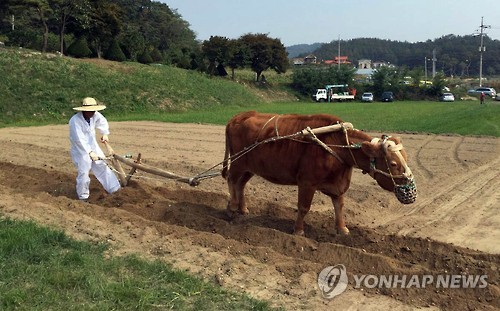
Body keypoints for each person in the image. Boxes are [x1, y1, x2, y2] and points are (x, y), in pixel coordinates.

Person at [69, 97, 121, 200]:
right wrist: (90, 152)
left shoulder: (95, 115)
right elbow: (79, 139)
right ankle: (83, 196)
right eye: (90, 111)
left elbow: (102, 122)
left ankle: (115, 189)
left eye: (93, 110)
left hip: (93, 145)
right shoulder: (75, 121)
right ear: (84, 110)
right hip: (81, 151)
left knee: (102, 166)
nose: (92, 113)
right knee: (84, 172)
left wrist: (105, 134)